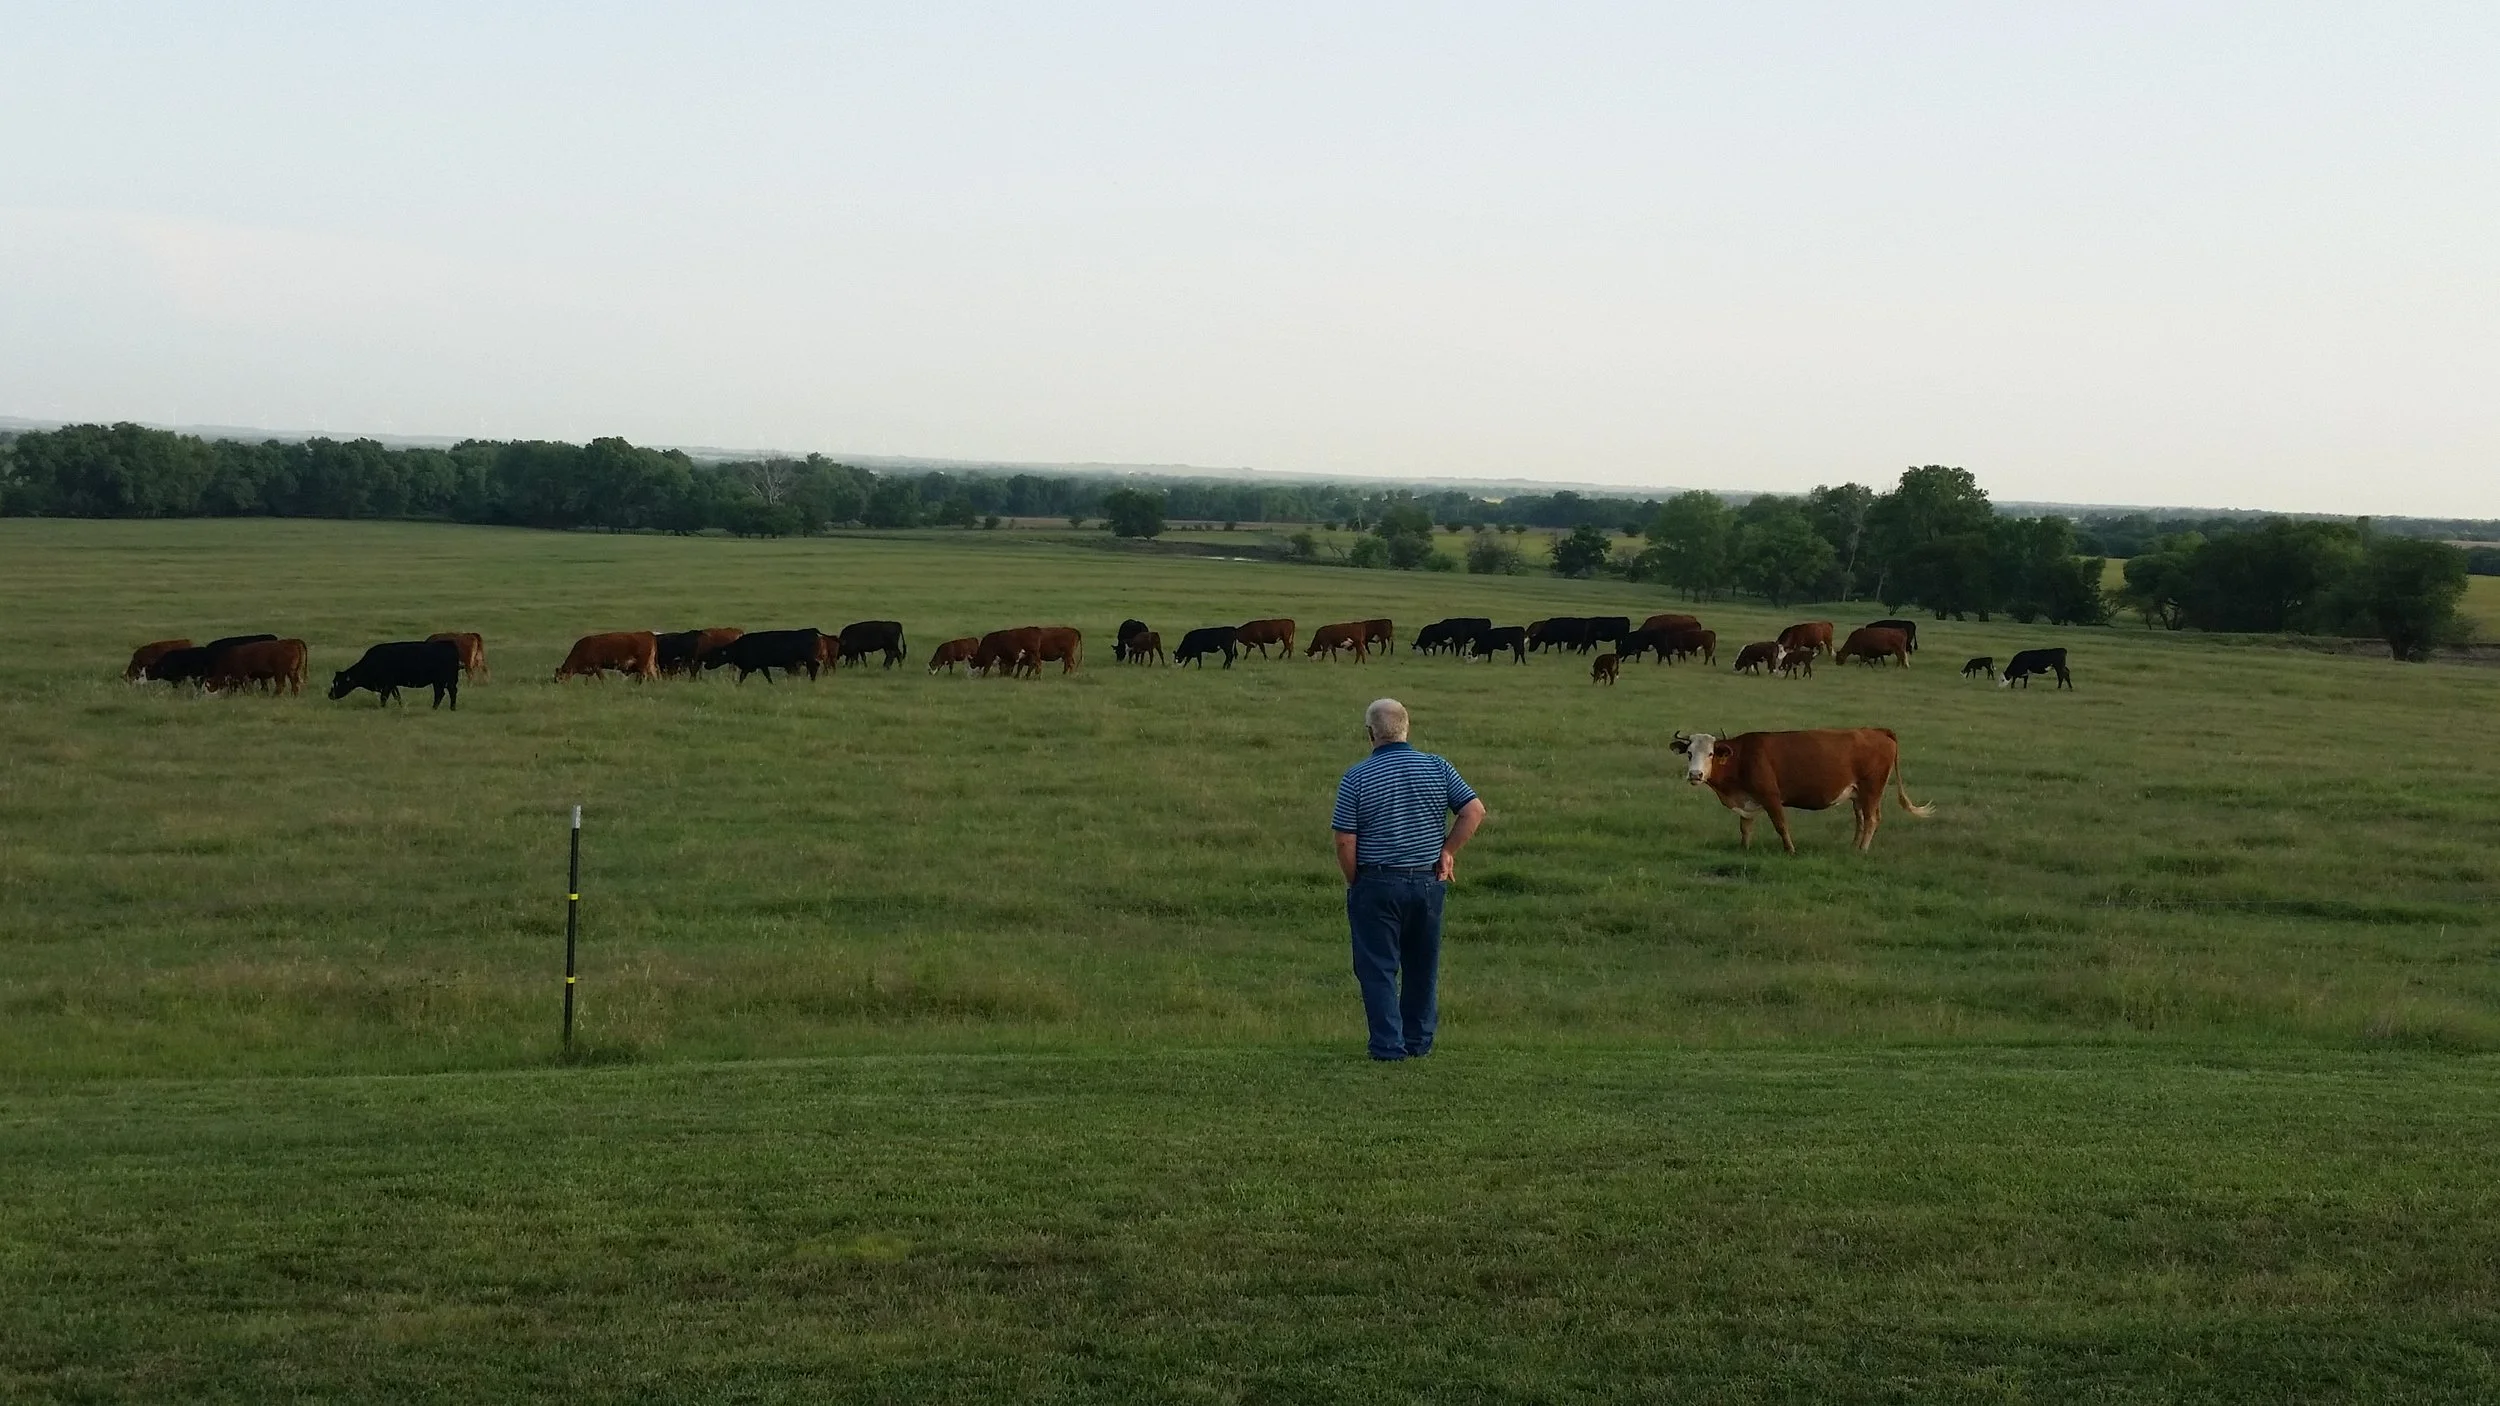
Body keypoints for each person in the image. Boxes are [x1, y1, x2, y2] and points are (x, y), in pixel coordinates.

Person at [1330, 698, 1486, 1061]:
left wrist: (1356, 879)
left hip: (1378, 880)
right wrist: (1448, 851)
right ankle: (1418, 1042)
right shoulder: (1437, 766)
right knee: (1422, 963)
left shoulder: (1357, 776)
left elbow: (1344, 839)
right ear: (1406, 728)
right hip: (1428, 880)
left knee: (1378, 966)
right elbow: (1473, 810)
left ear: (1370, 734)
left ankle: (1387, 1045)